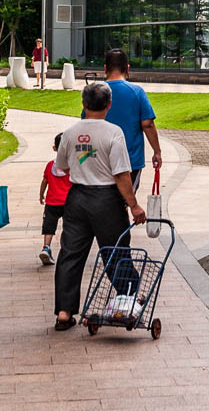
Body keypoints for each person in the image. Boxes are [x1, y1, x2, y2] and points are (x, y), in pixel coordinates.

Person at [53, 82, 146, 331]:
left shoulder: (71, 132)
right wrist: (134, 206)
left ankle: (64, 312)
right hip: (106, 200)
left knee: (70, 254)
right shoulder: (113, 132)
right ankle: (128, 300)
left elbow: (61, 165)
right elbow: (122, 175)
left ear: (83, 104)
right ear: (109, 104)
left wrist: (84, 168)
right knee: (115, 252)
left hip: (77, 199)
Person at [103, 49, 162, 189]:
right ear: (127, 69)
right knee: (125, 201)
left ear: (105, 68)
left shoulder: (95, 92)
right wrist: (157, 151)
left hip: (100, 160)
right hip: (130, 161)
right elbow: (148, 124)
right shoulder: (137, 92)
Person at [38, 131, 70, 266]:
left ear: (54, 148)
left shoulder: (50, 165)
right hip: (69, 202)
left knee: (49, 226)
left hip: (52, 202)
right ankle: (68, 249)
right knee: (70, 226)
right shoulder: (72, 165)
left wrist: (41, 194)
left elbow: (45, 181)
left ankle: (46, 247)